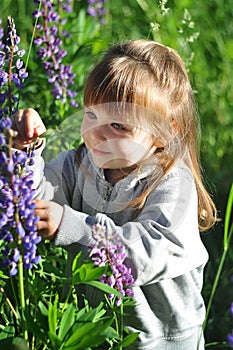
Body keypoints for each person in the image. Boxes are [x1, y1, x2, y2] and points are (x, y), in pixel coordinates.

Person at [12, 39, 217, 350]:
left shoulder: (174, 187)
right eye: (92, 115)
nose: (97, 132)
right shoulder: (79, 163)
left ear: (164, 133)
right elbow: (38, 202)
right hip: (97, 329)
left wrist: (70, 225)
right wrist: (26, 155)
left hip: (160, 341)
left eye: (118, 125)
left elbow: (142, 256)